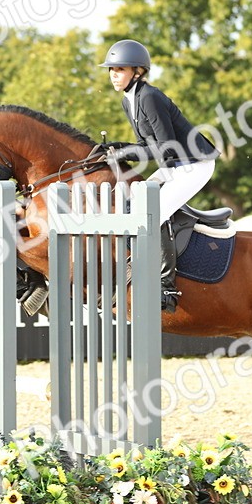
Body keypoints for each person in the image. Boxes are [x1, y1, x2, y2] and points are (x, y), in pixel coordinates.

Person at [101, 39, 218, 312]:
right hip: (173, 164)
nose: (113, 75)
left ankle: (167, 285)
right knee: (134, 202)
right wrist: (118, 147)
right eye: (111, 70)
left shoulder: (149, 97)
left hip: (194, 163)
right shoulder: (129, 100)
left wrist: (125, 152)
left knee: (155, 213)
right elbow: (146, 144)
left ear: (138, 71)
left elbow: (165, 147)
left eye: (119, 69)